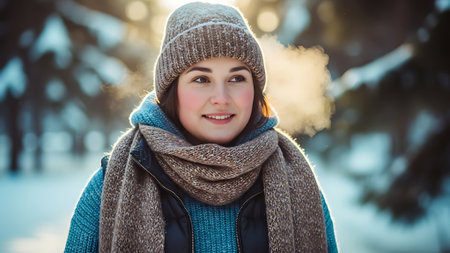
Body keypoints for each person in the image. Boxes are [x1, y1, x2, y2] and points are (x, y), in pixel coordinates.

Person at [64, 2, 338, 252]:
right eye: (200, 79)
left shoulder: (297, 181)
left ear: (255, 90)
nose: (221, 97)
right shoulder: (111, 183)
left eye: (237, 78)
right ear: (173, 91)